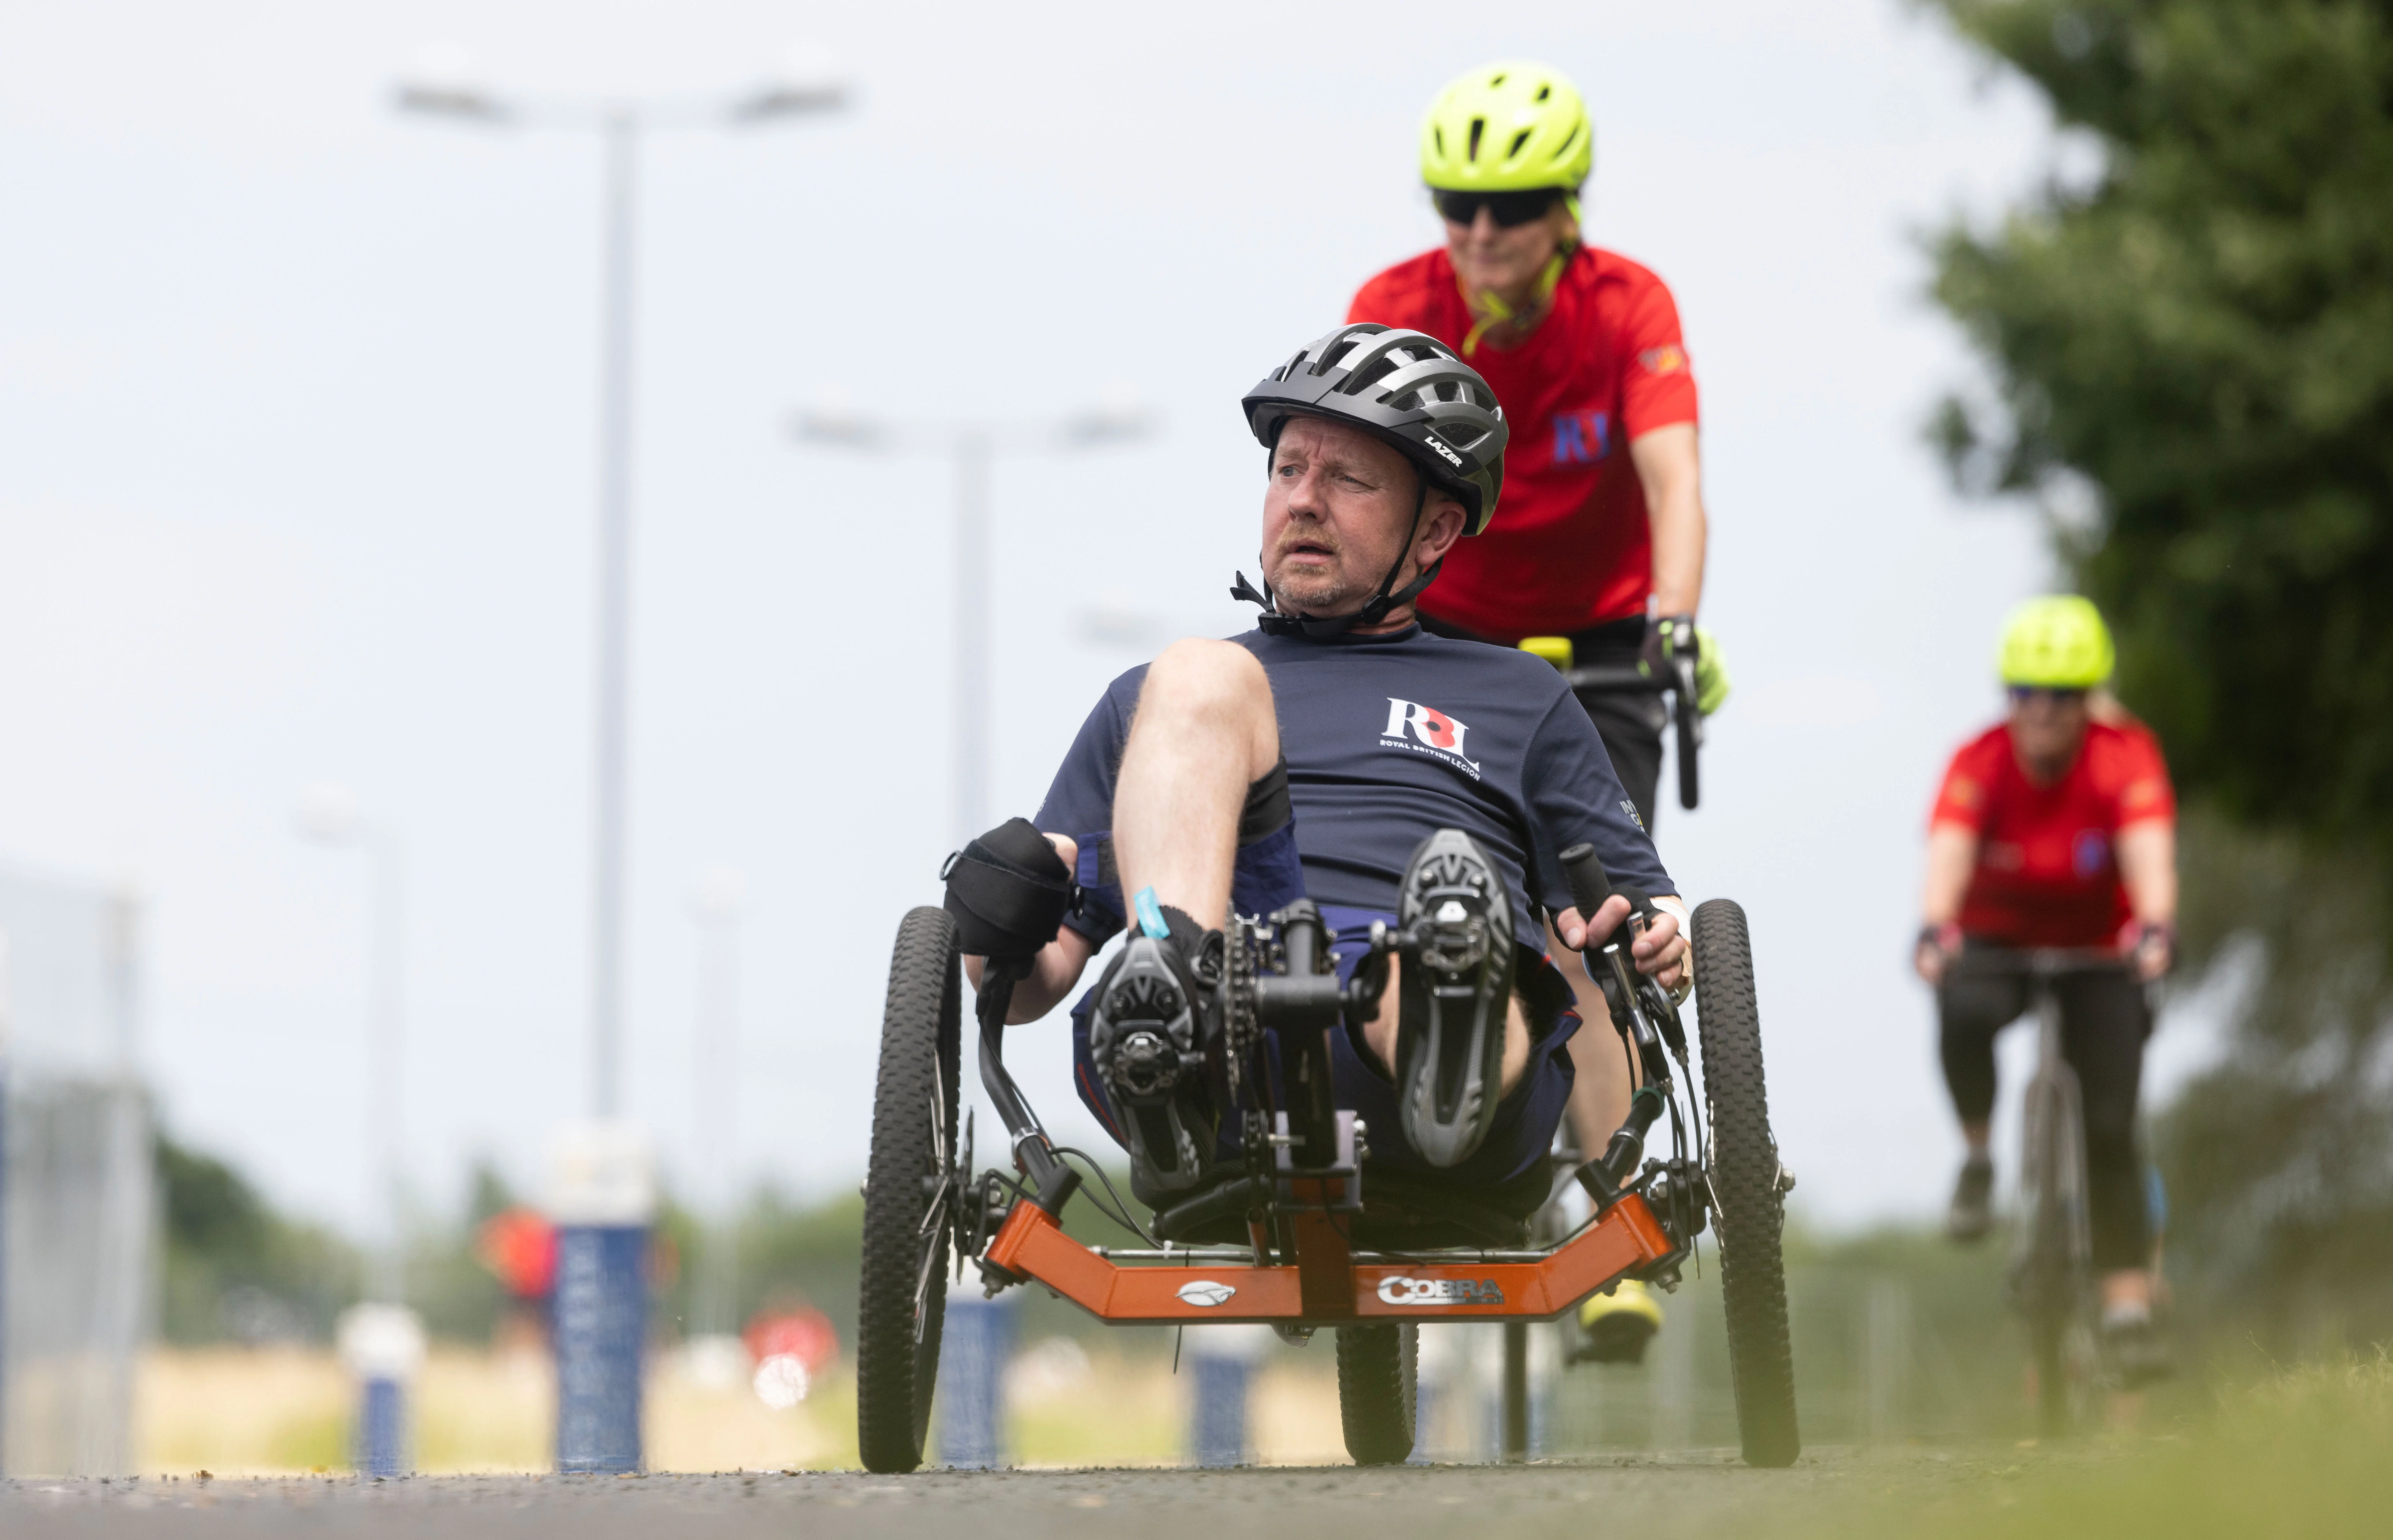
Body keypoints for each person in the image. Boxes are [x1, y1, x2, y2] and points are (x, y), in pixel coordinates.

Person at [954, 322, 1690, 1223]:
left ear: (1435, 531)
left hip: (1443, 1030)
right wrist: (996, 922)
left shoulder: (1518, 694)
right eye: (1287, 470)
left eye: (1347, 479)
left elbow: (1644, 909)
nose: (1302, 501)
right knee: (1200, 672)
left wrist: (1660, 936)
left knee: (1437, 948)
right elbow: (1032, 984)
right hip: (1230, 1017)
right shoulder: (1159, 706)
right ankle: (1173, 1018)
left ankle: (1438, 1048)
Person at [1345, 58, 1725, 1356]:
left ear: (1567, 208)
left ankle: (1613, 1212)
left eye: (1512, 206)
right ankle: (1411, 1157)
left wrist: (1676, 623)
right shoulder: (1398, 304)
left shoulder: (1629, 307)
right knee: (1398, 904)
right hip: (1438, 635)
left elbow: (1673, 480)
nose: (1481, 233)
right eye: (1457, 205)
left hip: (1596, 649)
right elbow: (1362, 481)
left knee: (1584, 923)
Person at [1915, 596, 2178, 1383]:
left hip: (2101, 949)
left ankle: (2127, 1305)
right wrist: (1936, 927)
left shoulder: (2123, 756)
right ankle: (1977, 1157)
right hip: (1999, 943)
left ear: (2088, 701)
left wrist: (2157, 927)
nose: (2040, 713)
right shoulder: (1980, 759)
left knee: (2111, 1123)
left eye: (2061, 696)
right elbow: (1950, 852)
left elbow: (2149, 853)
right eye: (2024, 693)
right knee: (1962, 1006)